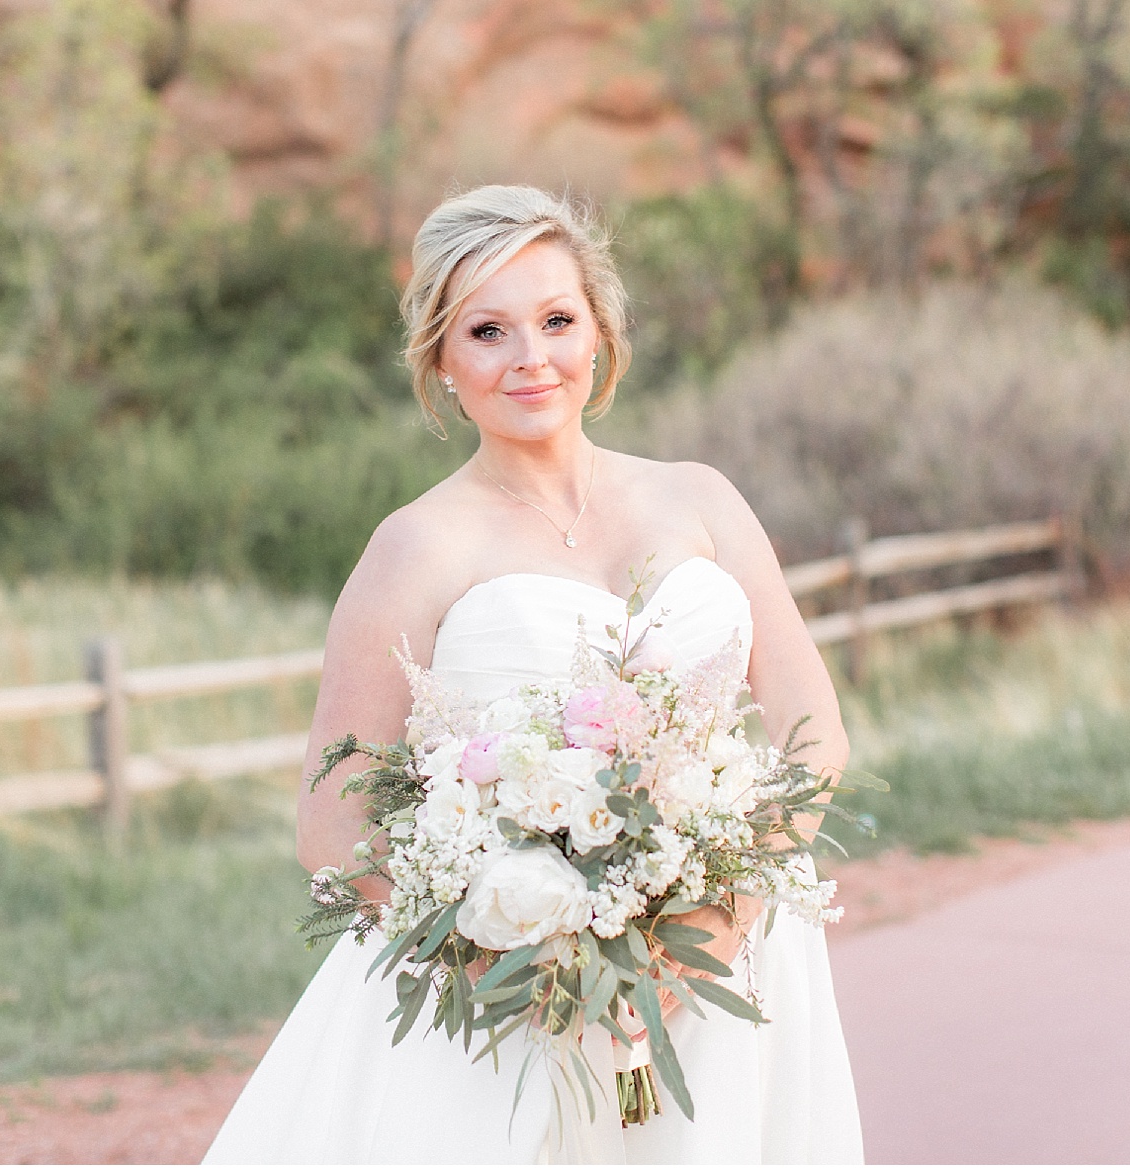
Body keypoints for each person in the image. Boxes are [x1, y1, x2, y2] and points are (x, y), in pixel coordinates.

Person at [203, 185, 862, 1163]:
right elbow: (331, 818)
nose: (531, 358)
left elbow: (813, 731)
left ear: (600, 327)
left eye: (556, 319)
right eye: (487, 330)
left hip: (734, 961)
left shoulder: (701, 498)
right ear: (440, 357)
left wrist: (720, 917)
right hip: (512, 994)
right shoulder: (412, 549)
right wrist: (532, 962)